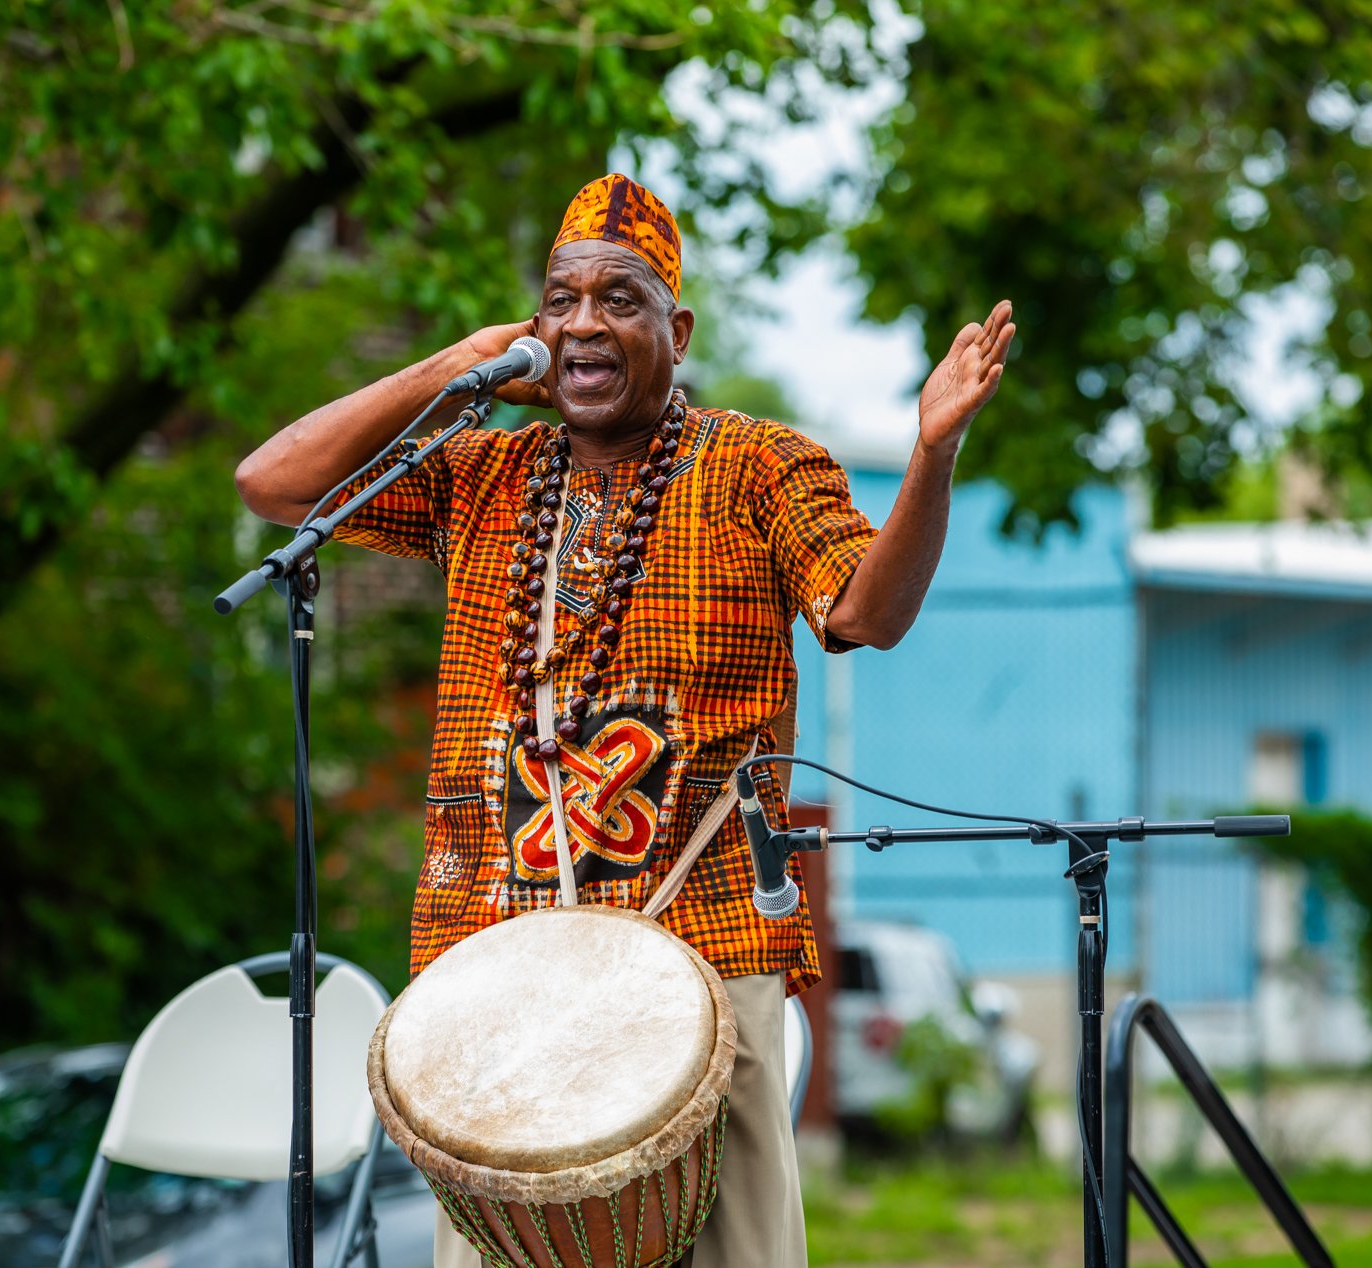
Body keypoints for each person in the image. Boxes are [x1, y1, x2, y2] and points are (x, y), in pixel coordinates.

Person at [235, 173, 1014, 1267]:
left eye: (621, 299)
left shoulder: (760, 465)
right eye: (562, 300)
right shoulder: (482, 472)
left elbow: (864, 612)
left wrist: (931, 452)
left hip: (699, 954)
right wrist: (462, 363)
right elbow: (276, 484)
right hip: (500, 964)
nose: (584, 324)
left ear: (677, 329)